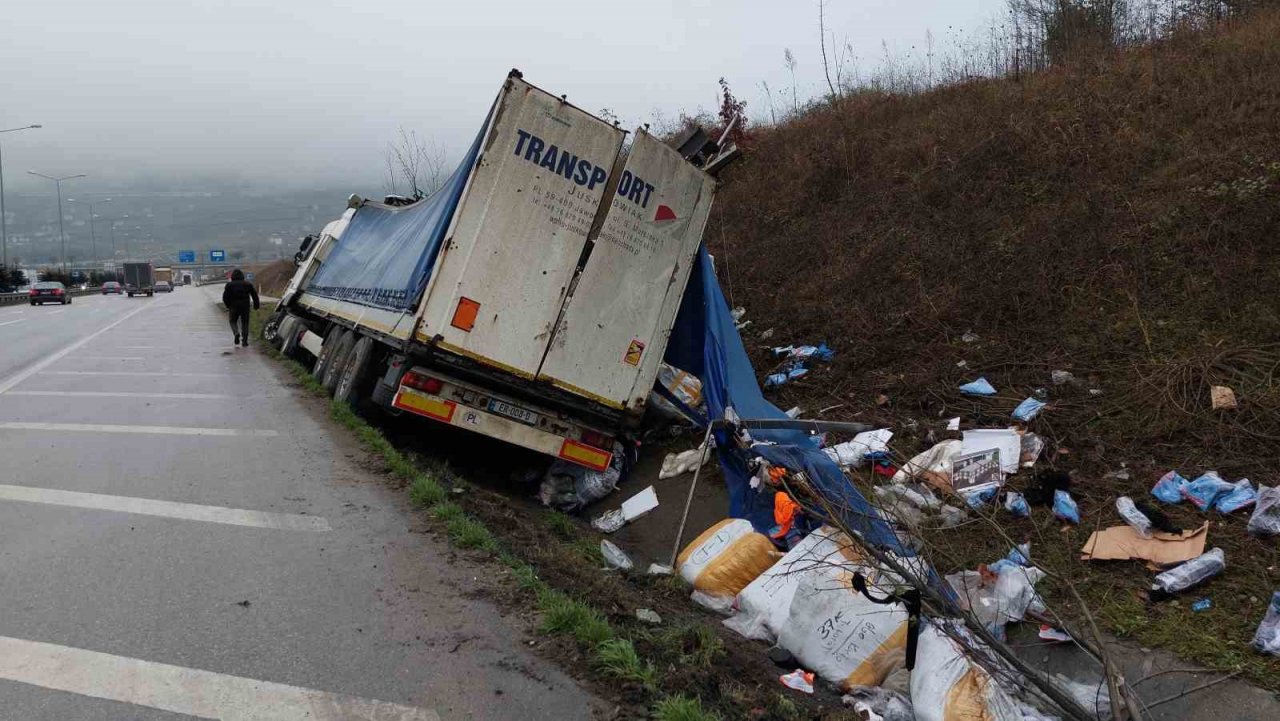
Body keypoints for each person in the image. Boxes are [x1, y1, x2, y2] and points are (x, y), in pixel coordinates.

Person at [222, 269, 260, 347]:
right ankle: (245, 341)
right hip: (245, 306)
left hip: (233, 306)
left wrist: (227, 305)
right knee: (245, 323)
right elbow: (254, 295)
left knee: (232, 321)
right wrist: (256, 305)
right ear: (242, 276)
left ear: (232, 276)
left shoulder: (229, 285)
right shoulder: (248, 284)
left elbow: (225, 297)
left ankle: (236, 333)